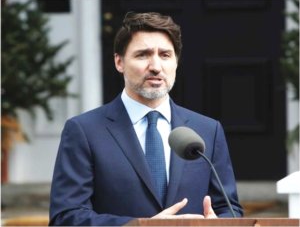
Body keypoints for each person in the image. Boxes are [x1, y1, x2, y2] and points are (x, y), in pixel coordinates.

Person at [49, 12, 243, 226]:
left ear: (176, 62)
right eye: (143, 55)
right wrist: (143, 225)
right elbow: (65, 218)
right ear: (119, 62)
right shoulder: (84, 131)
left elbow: (229, 208)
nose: (156, 67)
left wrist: (217, 223)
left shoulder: (207, 130)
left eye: (165, 55)